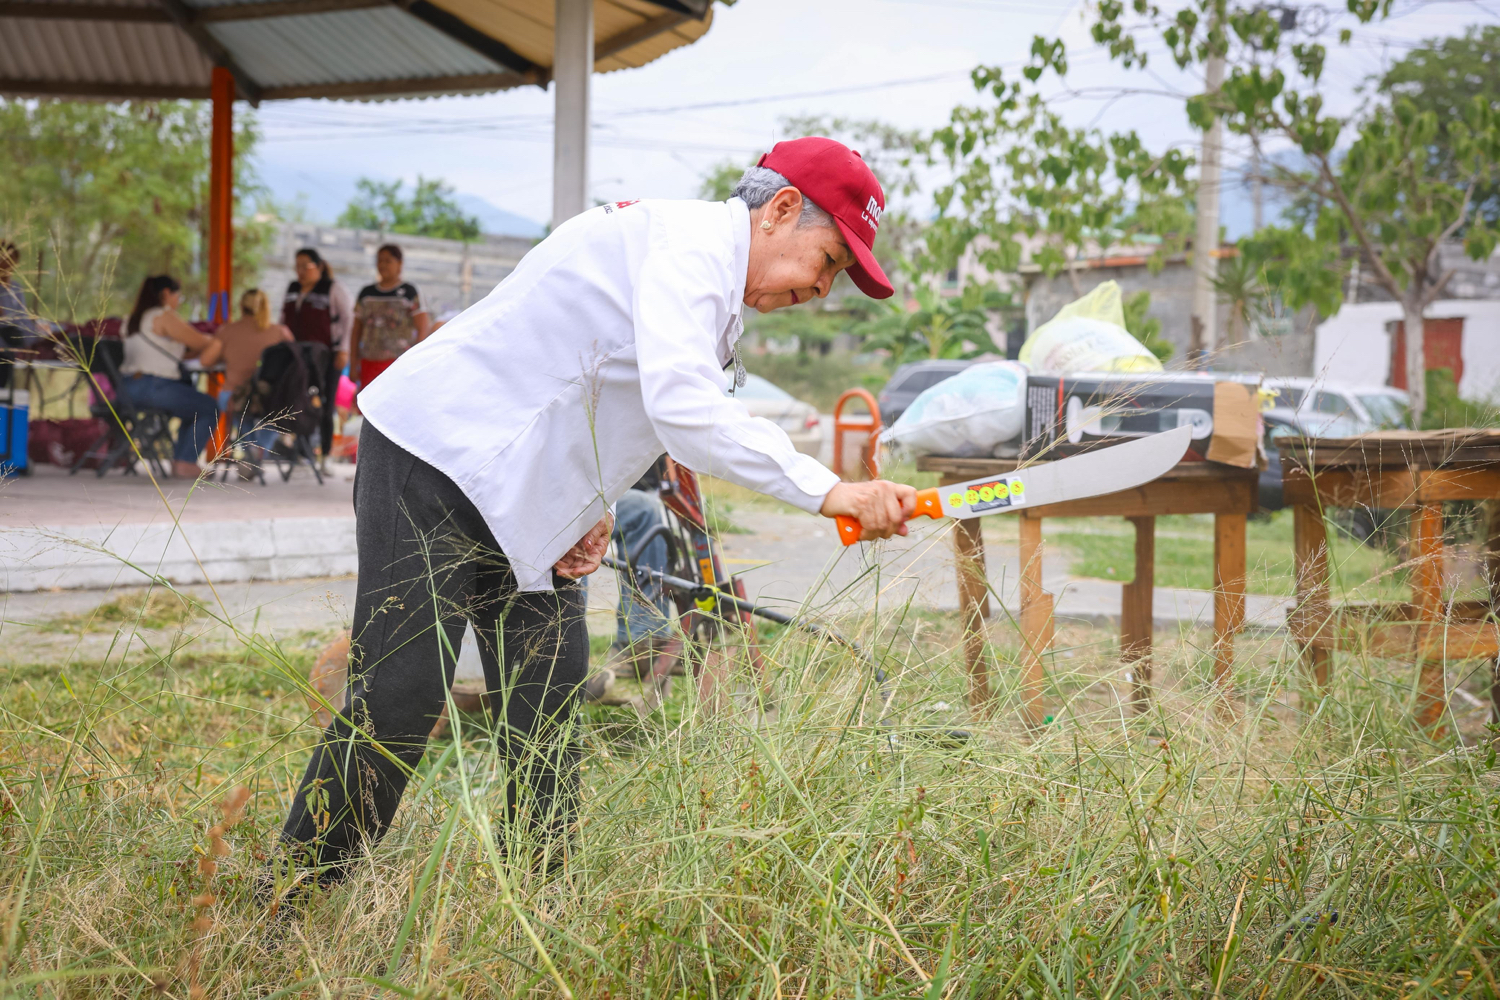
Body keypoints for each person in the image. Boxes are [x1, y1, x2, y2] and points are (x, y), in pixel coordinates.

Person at [271, 137, 916, 892]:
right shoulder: (688, 249)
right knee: (403, 694)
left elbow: (594, 381)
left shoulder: (703, 275)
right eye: (830, 260)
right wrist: (831, 491)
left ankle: (542, 900)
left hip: (521, 490)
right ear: (780, 209)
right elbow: (683, 408)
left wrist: (592, 503)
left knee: (547, 689)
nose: (824, 289)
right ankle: (291, 896)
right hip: (435, 458)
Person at [119, 275, 223, 479]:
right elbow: (199, 342)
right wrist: (216, 340)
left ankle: (182, 461)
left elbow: (166, 351)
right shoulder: (163, 315)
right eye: (178, 297)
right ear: (166, 293)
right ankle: (185, 462)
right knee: (208, 407)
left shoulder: (132, 319)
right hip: (154, 388)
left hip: (127, 389)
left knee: (193, 405)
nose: (178, 302)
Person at [281, 248, 351, 469]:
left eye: (306, 266)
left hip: (327, 357)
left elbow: (348, 319)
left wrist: (343, 350)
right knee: (299, 401)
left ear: (318, 266)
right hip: (297, 357)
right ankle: (301, 452)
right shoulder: (293, 289)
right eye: (297, 266)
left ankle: (326, 454)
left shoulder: (333, 288)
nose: (300, 271)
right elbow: (283, 320)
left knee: (326, 403)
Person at [351, 243, 429, 390]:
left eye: (388, 261)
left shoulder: (409, 292)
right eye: (380, 260)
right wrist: (353, 362)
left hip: (399, 363)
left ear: (400, 264)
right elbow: (356, 330)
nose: (383, 265)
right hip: (369, 361)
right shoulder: (366, 294)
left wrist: (416, 360)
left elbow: (423, 328)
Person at [0, 241, 42, 390]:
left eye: (11, 259)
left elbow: (22, 317)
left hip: (14, 341)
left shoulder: (16, 287)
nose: (7, 263)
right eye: (4, 258)